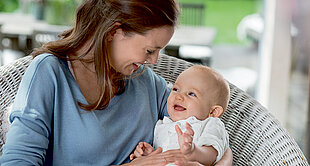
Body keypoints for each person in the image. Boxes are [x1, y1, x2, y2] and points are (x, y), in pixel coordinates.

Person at [0, 0, 232, 165]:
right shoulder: (50, 73)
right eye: (150, 50)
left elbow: (212, 134)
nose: (153, 61)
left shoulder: (145, 81)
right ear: (114, 31)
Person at [130, 65, 230, 166]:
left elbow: (213, 154)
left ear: (213, 112)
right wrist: (149, 155)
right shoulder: (162, 124)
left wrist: (194, 152)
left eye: (191, 94)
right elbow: (163, 158)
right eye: (175, 89)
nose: (179, 96)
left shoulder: (212, 124)